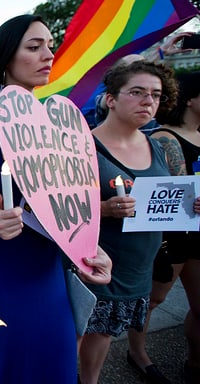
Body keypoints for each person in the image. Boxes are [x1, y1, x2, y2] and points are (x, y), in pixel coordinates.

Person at [0, 15, 112, 383]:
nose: (48, 55)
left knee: (49, 362)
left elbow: (72, 205)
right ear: (6, 58)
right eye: (34, 47)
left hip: (46, 273)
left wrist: (90, 252)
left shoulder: (62, 127)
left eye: (50, 45)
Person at [78, 60, 198, 384]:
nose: (148, 101)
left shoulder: (156, 145)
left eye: (156, 95)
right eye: (137, 92)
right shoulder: (83, 147)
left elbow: (170, 199)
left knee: (108, 337)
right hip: (96, 269)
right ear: (111, 99)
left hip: (138, 266)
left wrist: (192, 204)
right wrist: (104, 208)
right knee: (88, 345)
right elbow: (57, 209)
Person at [127, 71, 200, 384]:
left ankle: (195, 362)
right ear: (191, 98)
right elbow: (161, 193)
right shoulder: (164, 138)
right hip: (172, 238)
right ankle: (138, 353)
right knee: (152, 301)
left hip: (197, 234)